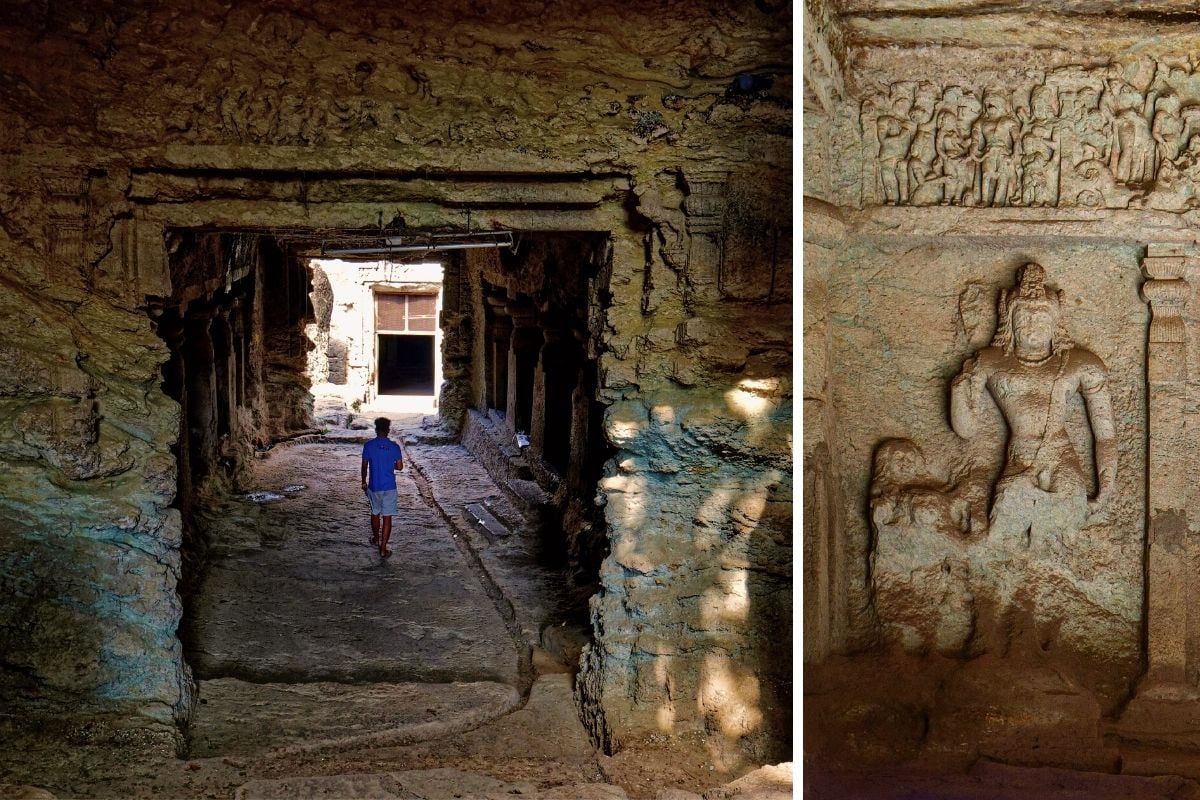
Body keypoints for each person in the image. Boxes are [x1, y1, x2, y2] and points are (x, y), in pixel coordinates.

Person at [950, 263, 1116, 551]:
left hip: (1061, 453)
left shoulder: (1080, 364)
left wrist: (1105, 487)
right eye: (1024, 318)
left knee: (1066, 512)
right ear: (1009, 322)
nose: (1032, 326)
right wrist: (959, 390)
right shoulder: (990, 363)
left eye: (1041, 318)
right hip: (1021, 457)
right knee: (1009, 507)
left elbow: (1106, 435)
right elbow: (965, 430)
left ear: (1055, 323)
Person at [361, 417, 404, 558]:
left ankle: (375, 538)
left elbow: (364, 466)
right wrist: (388, 465)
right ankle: (383, 549)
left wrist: (363, 482)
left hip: (374, 486)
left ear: (376, 429)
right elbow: (399, 467)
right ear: (388, 430)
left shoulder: (369, 446)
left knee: (375, 513)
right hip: (390, 487)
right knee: (387, 517)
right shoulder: (394, 447)